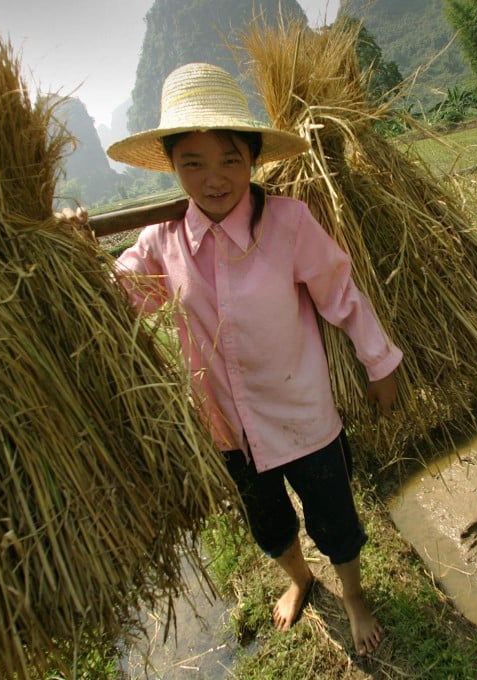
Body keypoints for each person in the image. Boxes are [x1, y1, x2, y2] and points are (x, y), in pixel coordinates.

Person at [63, 63, 402, 656]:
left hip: (303, 414)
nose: (214, 177)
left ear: (252, 159)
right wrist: (73, 251)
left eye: (229, 159)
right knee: (269, 523)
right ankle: (300, 579)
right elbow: (112, 304)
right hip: (229, 429)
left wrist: (381, 364)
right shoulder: (160, 243)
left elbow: (342, 295)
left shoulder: (290, 224)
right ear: (172, 166)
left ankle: (351, 594)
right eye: (193, 162)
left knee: (335, 517)